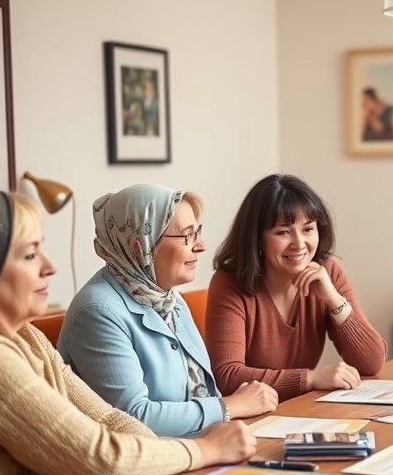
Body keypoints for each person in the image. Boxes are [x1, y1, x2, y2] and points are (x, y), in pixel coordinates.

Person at [0, 184, 256, 475]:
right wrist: (207, 450)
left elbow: (111, 420)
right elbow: (101, 460)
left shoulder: (26, 336)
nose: (50, 267)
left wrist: (172, 458)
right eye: (29, 254)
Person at [58, 184, 277, 437]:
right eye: (187, 236)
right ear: (138, 246)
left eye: (198, 233)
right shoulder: (97, 312)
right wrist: (230, 406)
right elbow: (134, 418)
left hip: (201, 446)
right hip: (152, 464)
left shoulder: (169, 298)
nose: (201, 245)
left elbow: (203, 388)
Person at [206, 174, 387, 401]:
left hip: (300, 411)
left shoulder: (327, 272)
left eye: (308, 229)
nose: (299, 244)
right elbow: (227, 376)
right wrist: (310, 379)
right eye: (283, 232)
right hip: (249, 421)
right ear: (257, 238)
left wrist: (333, 299)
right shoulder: (229, 282)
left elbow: (372, 362)